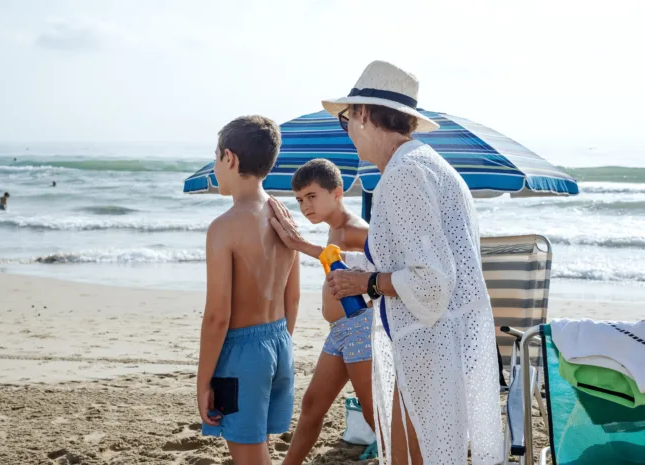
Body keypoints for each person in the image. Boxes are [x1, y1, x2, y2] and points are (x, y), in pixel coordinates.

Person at [269, 60, 503, 465]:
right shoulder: (430, 165)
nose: (347, 132)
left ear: (363, 114)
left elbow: (431, 283)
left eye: (346, 120)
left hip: (428, 343)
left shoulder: (404, 174)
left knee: (407, 457)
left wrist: (368, 283)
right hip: (442, 342)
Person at [197, 115, 300, 465]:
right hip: (280, 342)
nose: (215, 166)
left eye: (215, 157)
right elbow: (293, 296)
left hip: (243, 354)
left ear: (230, 158)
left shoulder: (223, 228)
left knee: (248, 456)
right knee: (259, 448)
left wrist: (203, 382)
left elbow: (217, 316)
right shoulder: (284, 217)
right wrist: (278, 344)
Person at [282, 159, 374, 465]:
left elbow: (389, 266)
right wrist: (296, 243)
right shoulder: (335, 229)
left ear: (337, 193)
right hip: (339, 331)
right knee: (311, 405)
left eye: (311, 196)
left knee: (374, 413)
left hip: (361, 328)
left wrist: (298, 243)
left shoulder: (354, 228)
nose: (305, 206)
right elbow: (331, 259)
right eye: (299, 200)